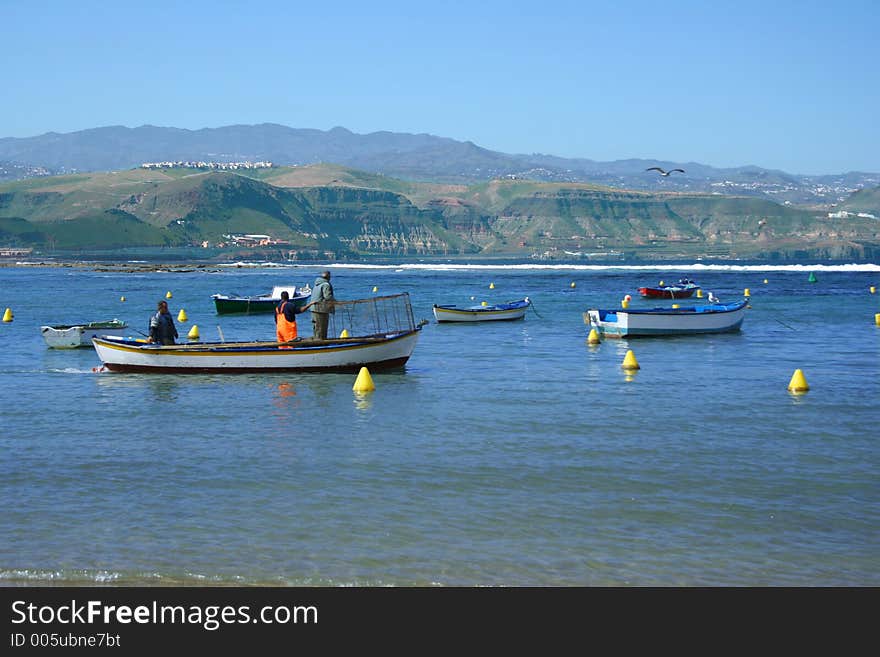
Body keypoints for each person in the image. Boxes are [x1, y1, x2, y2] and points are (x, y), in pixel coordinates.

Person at [305, 270, 335, 340]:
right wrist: (335, 301)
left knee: (316, 328)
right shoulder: (326, 285)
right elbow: (327, 297)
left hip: (313, 309)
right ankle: (320, 343)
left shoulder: (317, 284)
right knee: (321, 328)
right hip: (321, 310)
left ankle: (317, 340)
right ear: (328, 277)